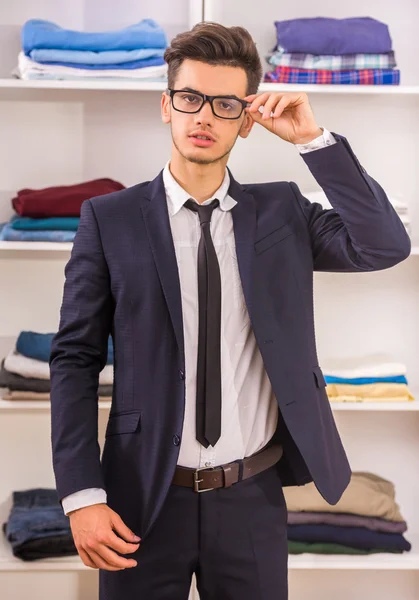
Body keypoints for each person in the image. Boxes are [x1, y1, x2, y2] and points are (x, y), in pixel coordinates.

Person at [49, 21, 411, 600]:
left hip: (252, 495)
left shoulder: (282, 211)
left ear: (246, 121)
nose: (204, 117)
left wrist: (311, 139)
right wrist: (81, 493)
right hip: (142, 494)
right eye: (190, 98)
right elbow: (73, 359)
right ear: (166, 105)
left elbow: (385, 246)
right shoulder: (108, 218)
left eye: (224, 105)